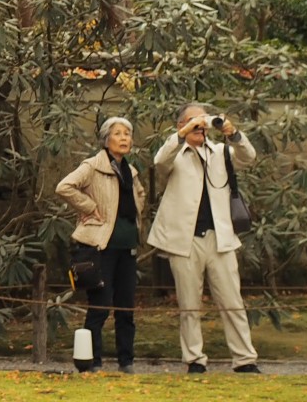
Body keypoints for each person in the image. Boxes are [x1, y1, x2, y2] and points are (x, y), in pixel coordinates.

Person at [149, 103, 259, 374]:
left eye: (202, 120)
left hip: (220, 237)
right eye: (193, 121)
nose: (200, 126)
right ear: (181, 126)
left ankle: (245, 360)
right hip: (184, 241)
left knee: (232, 301)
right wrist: (183, 133)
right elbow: (159, 161)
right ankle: (195, 360)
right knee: (189, 304)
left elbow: (249, 156)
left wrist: (232, 132)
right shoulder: (175, 153)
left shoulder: (221, 152)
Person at [55, 116, 145, 373]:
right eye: (118, 133)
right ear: (106, 140)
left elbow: (139, 194)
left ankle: (126, 361)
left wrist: (138, 212)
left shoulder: (131, 170)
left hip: (127, 247)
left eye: (127, 134)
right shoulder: (93, 166)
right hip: (99, 247)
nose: (124, 138)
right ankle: (92, 361)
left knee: (126, 307)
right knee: (100, 306)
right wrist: (89, 207)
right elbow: (65, 187)